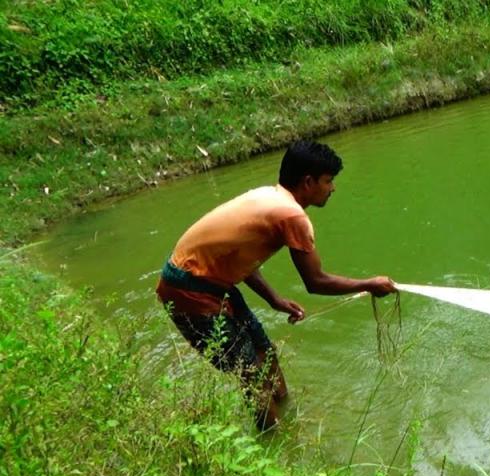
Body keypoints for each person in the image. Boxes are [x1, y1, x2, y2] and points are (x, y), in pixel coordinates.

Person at [156, 140, 396, 431]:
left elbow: (235, 257)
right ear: (308, 182)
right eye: (328, 181)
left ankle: (286, 415)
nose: (332, 188)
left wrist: (274, 300)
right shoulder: (292, 215)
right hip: (189, 289)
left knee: (264, 352)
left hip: (212, 282)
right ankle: (274, 439)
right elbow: (315, 281)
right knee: (249, 374)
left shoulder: (267, 196)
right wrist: (370, 284)